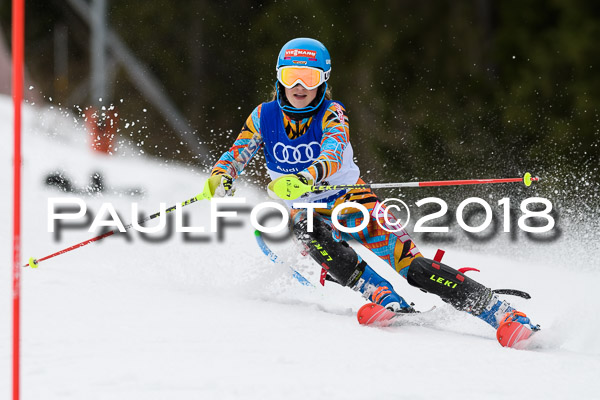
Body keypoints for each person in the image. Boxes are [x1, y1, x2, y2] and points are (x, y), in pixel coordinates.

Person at [201, 38, 539, 346]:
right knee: (305, 226)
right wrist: (221, 174)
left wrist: (307, 176)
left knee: (415, 269)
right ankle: (380, 294)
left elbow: (333, 153)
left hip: (353, 201)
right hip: (308, 212)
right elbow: (238, 152)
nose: (300, 87)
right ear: (278, 78)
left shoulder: (332, 112)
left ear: (324, 80)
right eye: (291, 77)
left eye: (310, 78)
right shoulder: (263, 116)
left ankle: (503, 313)